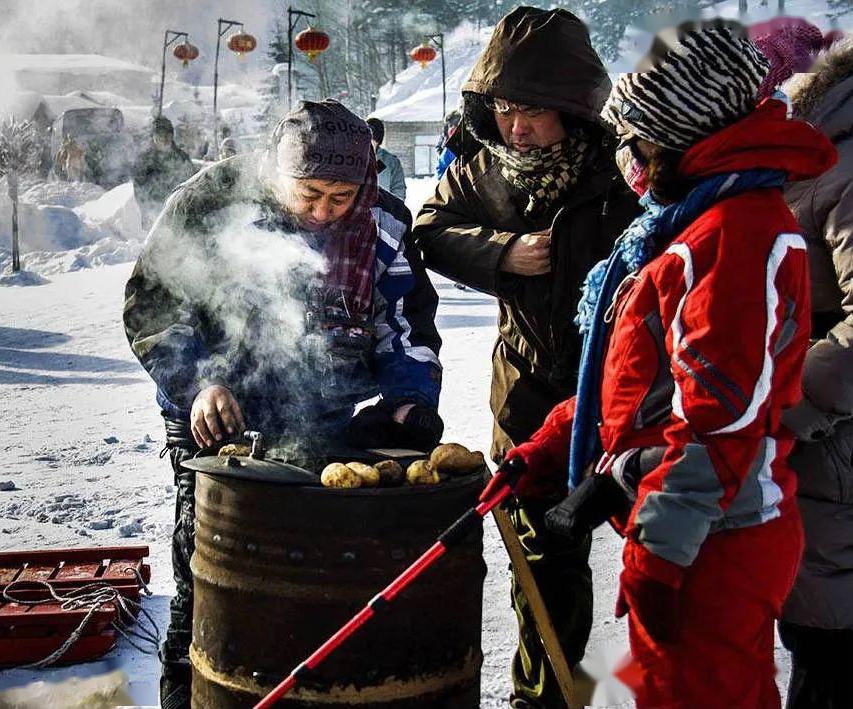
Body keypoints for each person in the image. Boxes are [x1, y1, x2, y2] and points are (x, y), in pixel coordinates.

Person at [502, 24, 837, 708]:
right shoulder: (689, 220)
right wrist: (555, 441)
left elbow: (719, 421)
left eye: (635, 141)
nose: (626, 158)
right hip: (687, 526)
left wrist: (660, 553)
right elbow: (643, 383)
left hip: (713, 540)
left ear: (676, 136)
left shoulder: (736, 233)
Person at [123, 99, 444, 709]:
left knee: (310, 563)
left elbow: (404, 324)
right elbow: (155, 303)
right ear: (277, 170)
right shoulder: (211, 203)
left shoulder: (383, 221)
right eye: (309, 194)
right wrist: (199, 383)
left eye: (340, 198)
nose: (323, 212)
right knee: (210, 566)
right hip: (215, 414)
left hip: (323, 410)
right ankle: (191, 690)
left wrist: (409, 398)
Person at [412, 7, 641, 707]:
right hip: (527, 395)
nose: (517, 128)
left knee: (659, 557)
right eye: (505, 109)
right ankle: (542, 698)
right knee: (543, 563)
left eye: (534, 112)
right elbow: (431, 228)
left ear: (573, 108)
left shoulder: (622, 169)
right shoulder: (487, 170)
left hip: (623, 391)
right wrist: (502, 252)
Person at [773, 39, 853, 709]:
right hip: (821, 444)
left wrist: (782, 398)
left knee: (828, 641)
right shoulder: (815, 157)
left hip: (834, 442)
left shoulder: (842, 166)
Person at [132, 116, 196, 229]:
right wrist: (148, 213)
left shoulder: (182, 158)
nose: (165, 139)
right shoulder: (144, 160)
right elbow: (139, 191)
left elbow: (192, 184)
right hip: (154, 216)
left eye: (168, 134)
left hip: (180, 214)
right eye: (161, 134)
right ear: (154, 136)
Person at [365, 117, 407, 200]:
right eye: (367, 141)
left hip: (383, 205)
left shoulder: (391, 162)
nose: (369, 145)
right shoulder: (355, 160)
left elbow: (398, 188)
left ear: (378, 142)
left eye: (373, 141)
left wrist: (394, 206)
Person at [435, 109, 461, 180]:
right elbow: (440, 171)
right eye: (451, 125)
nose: (453, 129)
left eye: (456, 125)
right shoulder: (448, 151)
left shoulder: (469, 147)